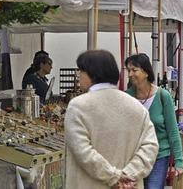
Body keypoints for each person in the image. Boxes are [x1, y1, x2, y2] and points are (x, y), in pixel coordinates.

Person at [65, 50, 158, 189]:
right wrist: (128, 174)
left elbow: (83, 151)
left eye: (81, 71)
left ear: (91, 73)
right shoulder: (136, 107)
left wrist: (114, 177)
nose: (78, 76)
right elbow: (150, 147)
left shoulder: (78, 106)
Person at [125, 54, 183, 189]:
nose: (130, 74)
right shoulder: (126, 97)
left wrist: (179, 161)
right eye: (128, 70)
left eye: (134, 70)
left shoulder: (163, 96)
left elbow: (172, 131)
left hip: (159, 155)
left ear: (146, 72)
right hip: (134, 157)